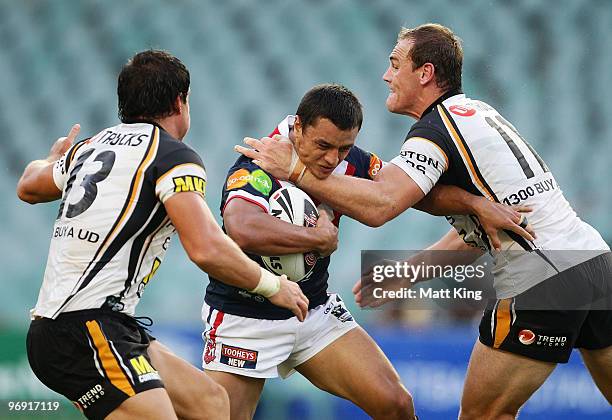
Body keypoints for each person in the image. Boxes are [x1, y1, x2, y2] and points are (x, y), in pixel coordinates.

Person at [235, 24, 612, 419]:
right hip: (592, 261)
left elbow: (382, 205)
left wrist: (295, 170)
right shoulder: (478, 113)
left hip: (542, 274)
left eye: (395, 64)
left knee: (484, 414)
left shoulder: (435, 130)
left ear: (425, 73)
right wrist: (406, 272)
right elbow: (488, 234)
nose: (386, 76)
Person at [206, 83, 534, 420]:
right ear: (298, 128)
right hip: (245, 316)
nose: (332, 159)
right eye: (323, 146)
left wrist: (475, 204)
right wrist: (315, 240)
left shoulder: (350, 162)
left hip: (313, 311)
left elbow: (412, 192)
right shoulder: (258, 163)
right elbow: (242, 228)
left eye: (344, 149)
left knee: (396, 404)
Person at [16, 49, 308, 420]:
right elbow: (205, 249)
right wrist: (273, 285)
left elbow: (28, 186)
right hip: (83, 328)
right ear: (179, 101)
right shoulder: (173, 156)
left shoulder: (88, 148)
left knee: (212, 404)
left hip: (100, 325)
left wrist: (50, 158)